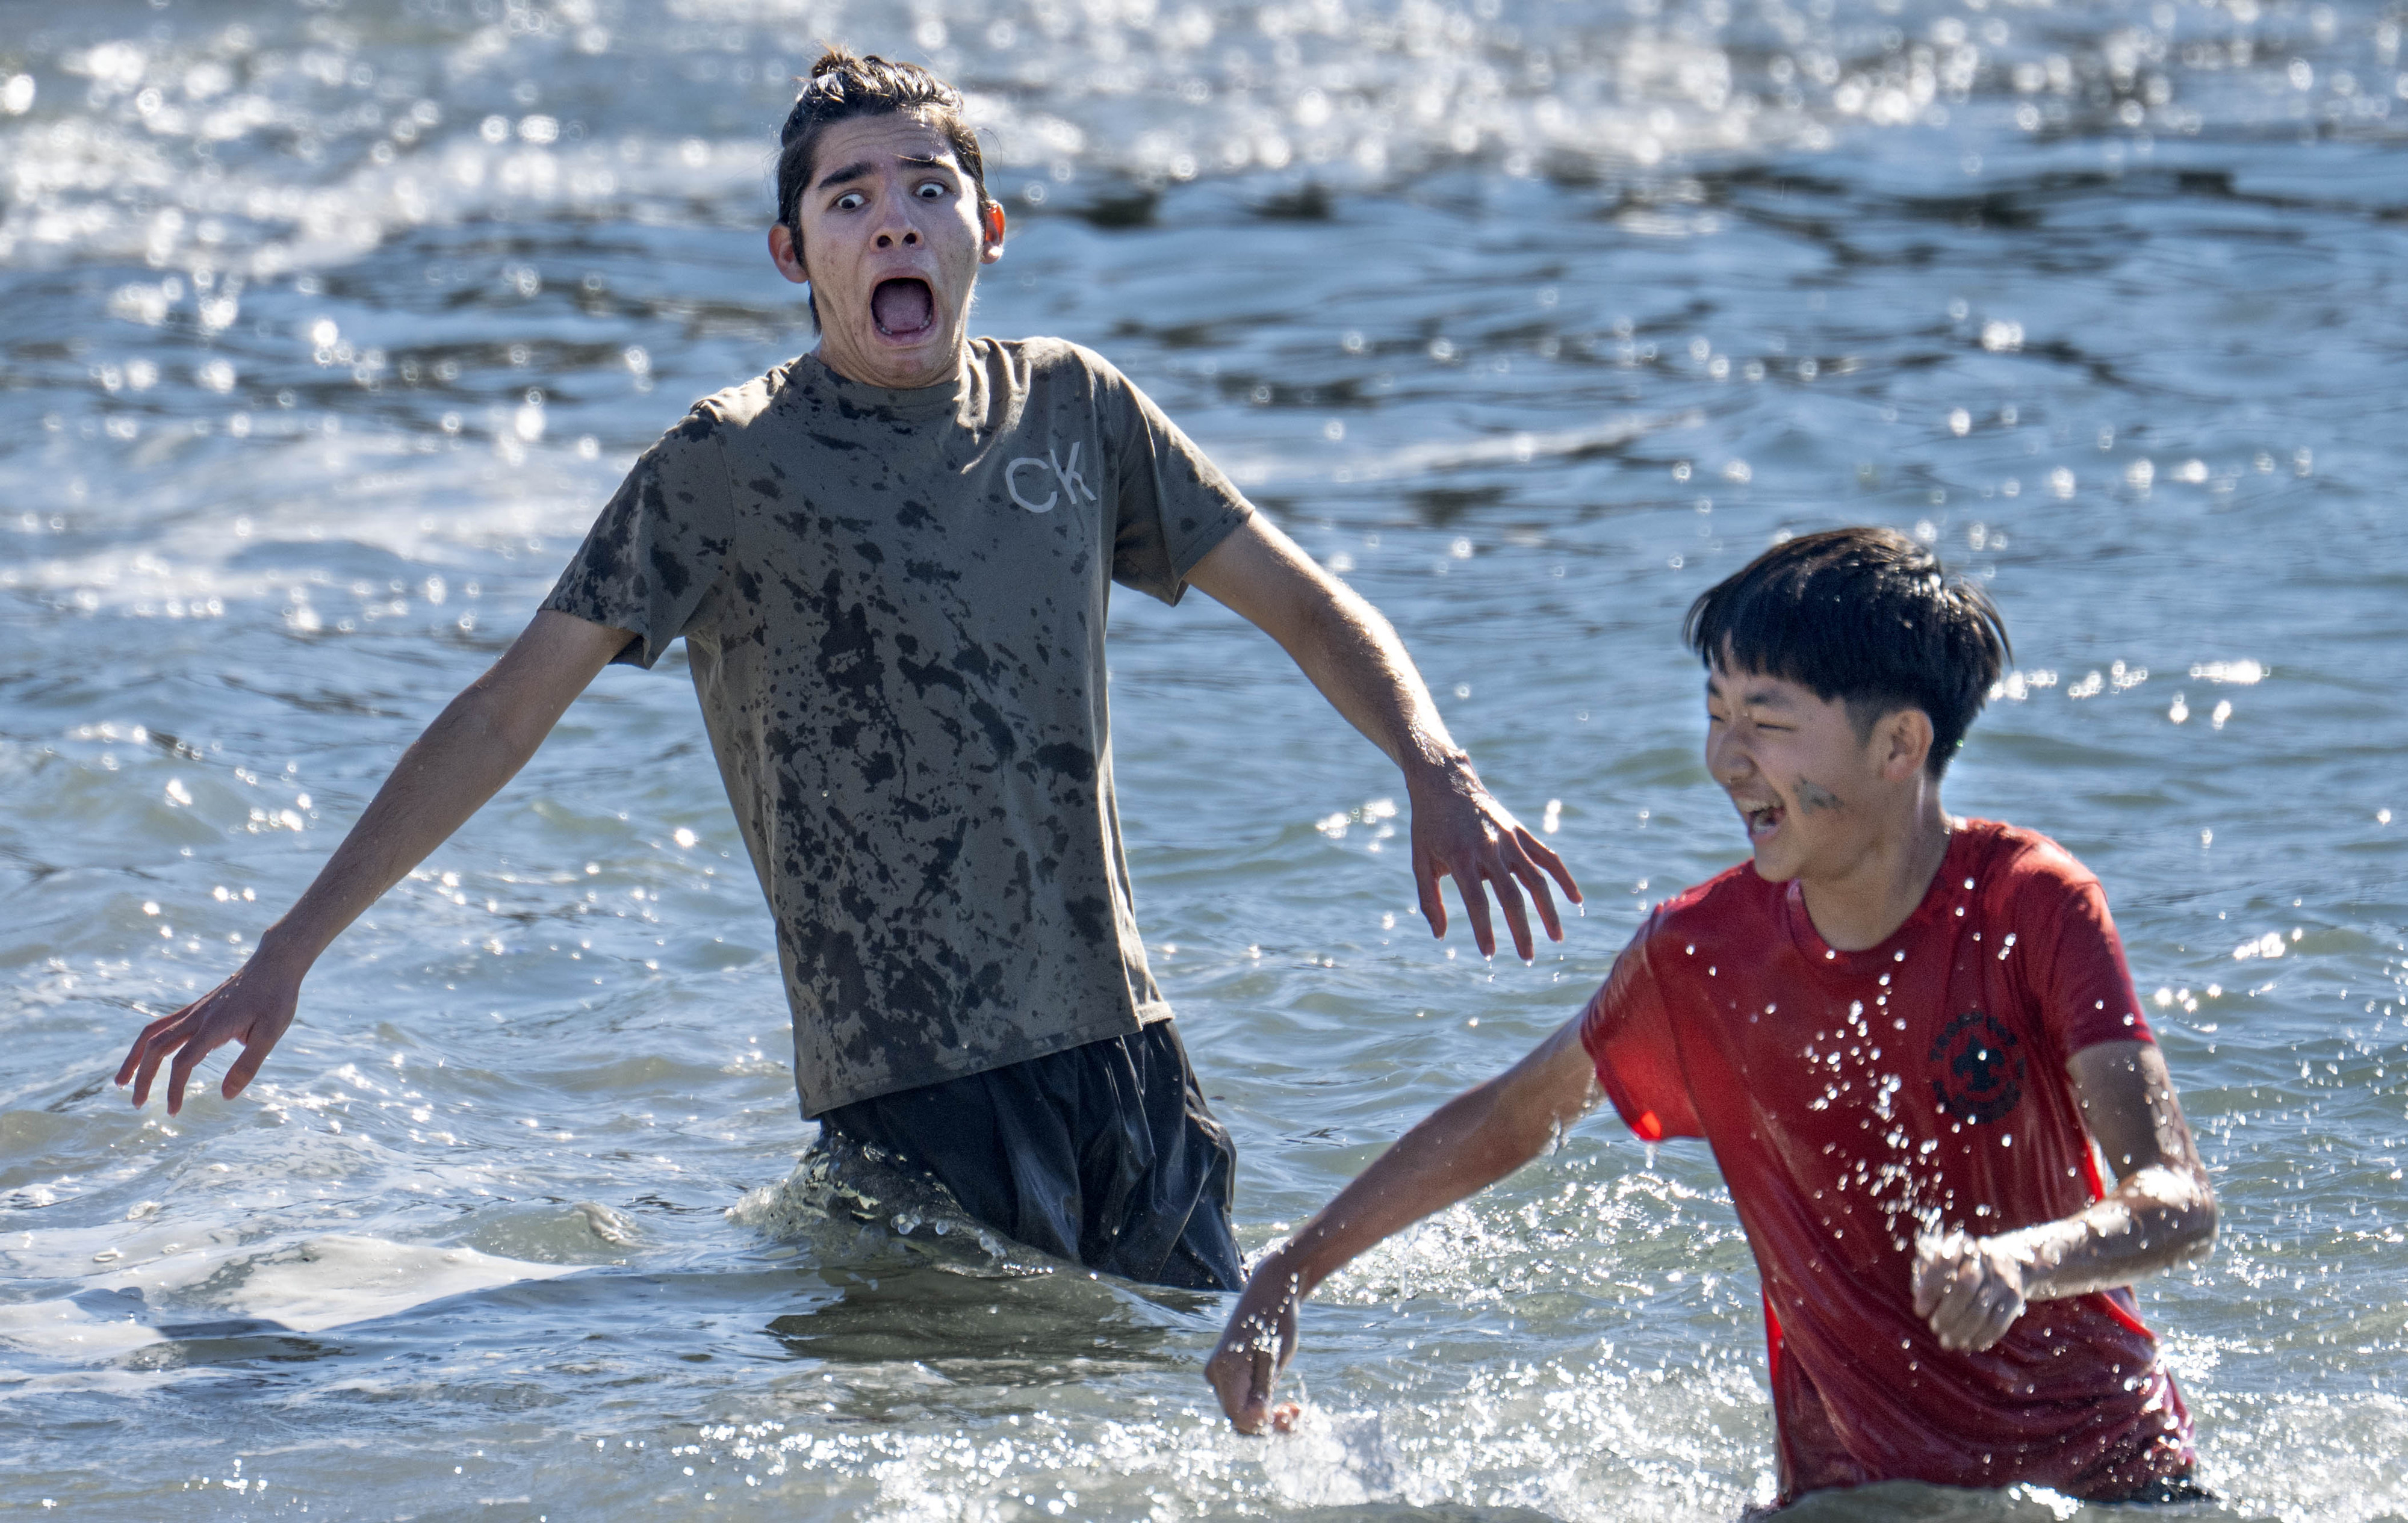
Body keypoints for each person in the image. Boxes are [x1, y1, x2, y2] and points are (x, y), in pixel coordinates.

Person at [111, 48, 1580, 1293]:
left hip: (1127, 1062)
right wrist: (285, 952)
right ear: (792, 251)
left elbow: (1306, 603)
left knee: (1195, 1426)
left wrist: (1432, 766)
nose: (894, 224)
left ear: (985, 229)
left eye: (926, 192)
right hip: (908, 1098)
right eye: (850, 198)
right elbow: (504, 713)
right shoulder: (720, 467)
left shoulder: (1073, 411)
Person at [1206, 526, 2217, 1503]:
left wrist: (2017, 1261)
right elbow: (1517, 1115)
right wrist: (1286, 1274)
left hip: (2112, 1480)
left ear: (1901, 742)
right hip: (1854, 1499)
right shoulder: (1702, 955)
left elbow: (2175, 1198)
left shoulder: (2030, 904)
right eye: (1717, 712)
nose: (1727, 758)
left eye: (1768, 722)